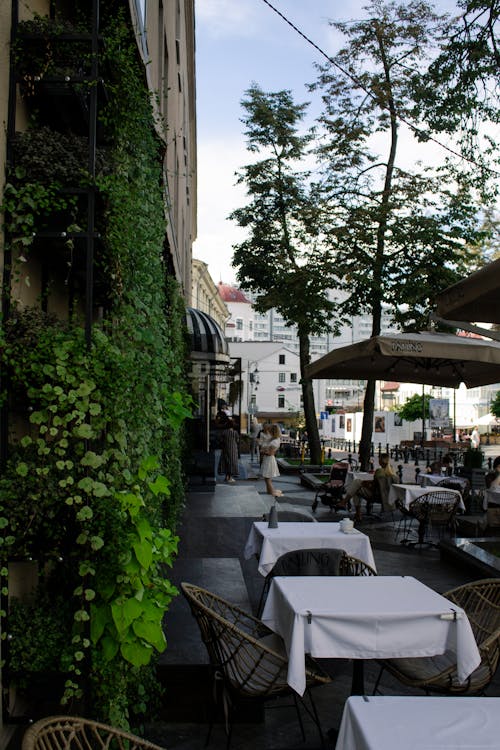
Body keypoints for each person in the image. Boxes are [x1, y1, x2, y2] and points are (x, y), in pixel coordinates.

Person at [343, 453, 396, 522]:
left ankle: (352, 508)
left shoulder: (379, 471)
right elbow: (379, 484)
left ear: (380, 461)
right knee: (357, 486)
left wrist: (365, 483)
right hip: (388, 497)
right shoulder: (393, 471)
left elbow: (373, 487)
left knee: (356, 487)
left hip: (376, 496)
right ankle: (351, 508)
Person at [260, 423, 282, 497]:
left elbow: (270, 453)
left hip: (269, 459)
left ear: (273, 431)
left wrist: (263, 451)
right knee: (267, 477)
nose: (268, 432)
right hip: (267, 459)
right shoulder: (273, 439)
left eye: (270, 430)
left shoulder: (274, 441)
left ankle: (271, 492)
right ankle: (269, 491)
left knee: (267, 477)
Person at [218, 418, 239, 483]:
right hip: (233, 449)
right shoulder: (235, 432)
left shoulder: (224, 432)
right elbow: (237, 440)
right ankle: (230, 478)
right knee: (232, 463)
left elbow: (221, 440)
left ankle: (226, 477)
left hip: (225, 448)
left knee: (226, 462)